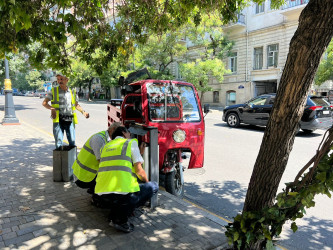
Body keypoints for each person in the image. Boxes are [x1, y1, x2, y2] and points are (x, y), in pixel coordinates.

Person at [95, 126, 159, 233]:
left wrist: (139, 153)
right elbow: (139, 171)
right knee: (153, 187)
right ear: (124, 133)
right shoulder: (130, 143)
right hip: (122, 195)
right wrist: (147, 184)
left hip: (102, 195)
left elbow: (118, 163)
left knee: (118, 196)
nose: (130, 135)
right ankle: (121, 220)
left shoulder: (105, 147)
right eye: (129, 133)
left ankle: (114, 213)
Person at [42, 73, 89, 149]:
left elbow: (76, 105)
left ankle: (72, 160)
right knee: (59, 142)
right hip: (58, 119)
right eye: (58, 79)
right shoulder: (53, 91)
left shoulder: (72, 92)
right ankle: (60, 159)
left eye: (61, 79)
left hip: (69, 118)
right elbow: (44, 103)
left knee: (72, 141)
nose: (59, 81)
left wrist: (83, 112)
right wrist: (52, 109)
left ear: (67, 80)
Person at [72, 122, 121, 194]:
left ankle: (95, 190)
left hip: (89, 174)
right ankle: (97, 194)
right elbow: (102, 162)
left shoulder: (109, 139)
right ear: (113, 129)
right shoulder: (98, 139)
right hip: (83, 176)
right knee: (112, 175)